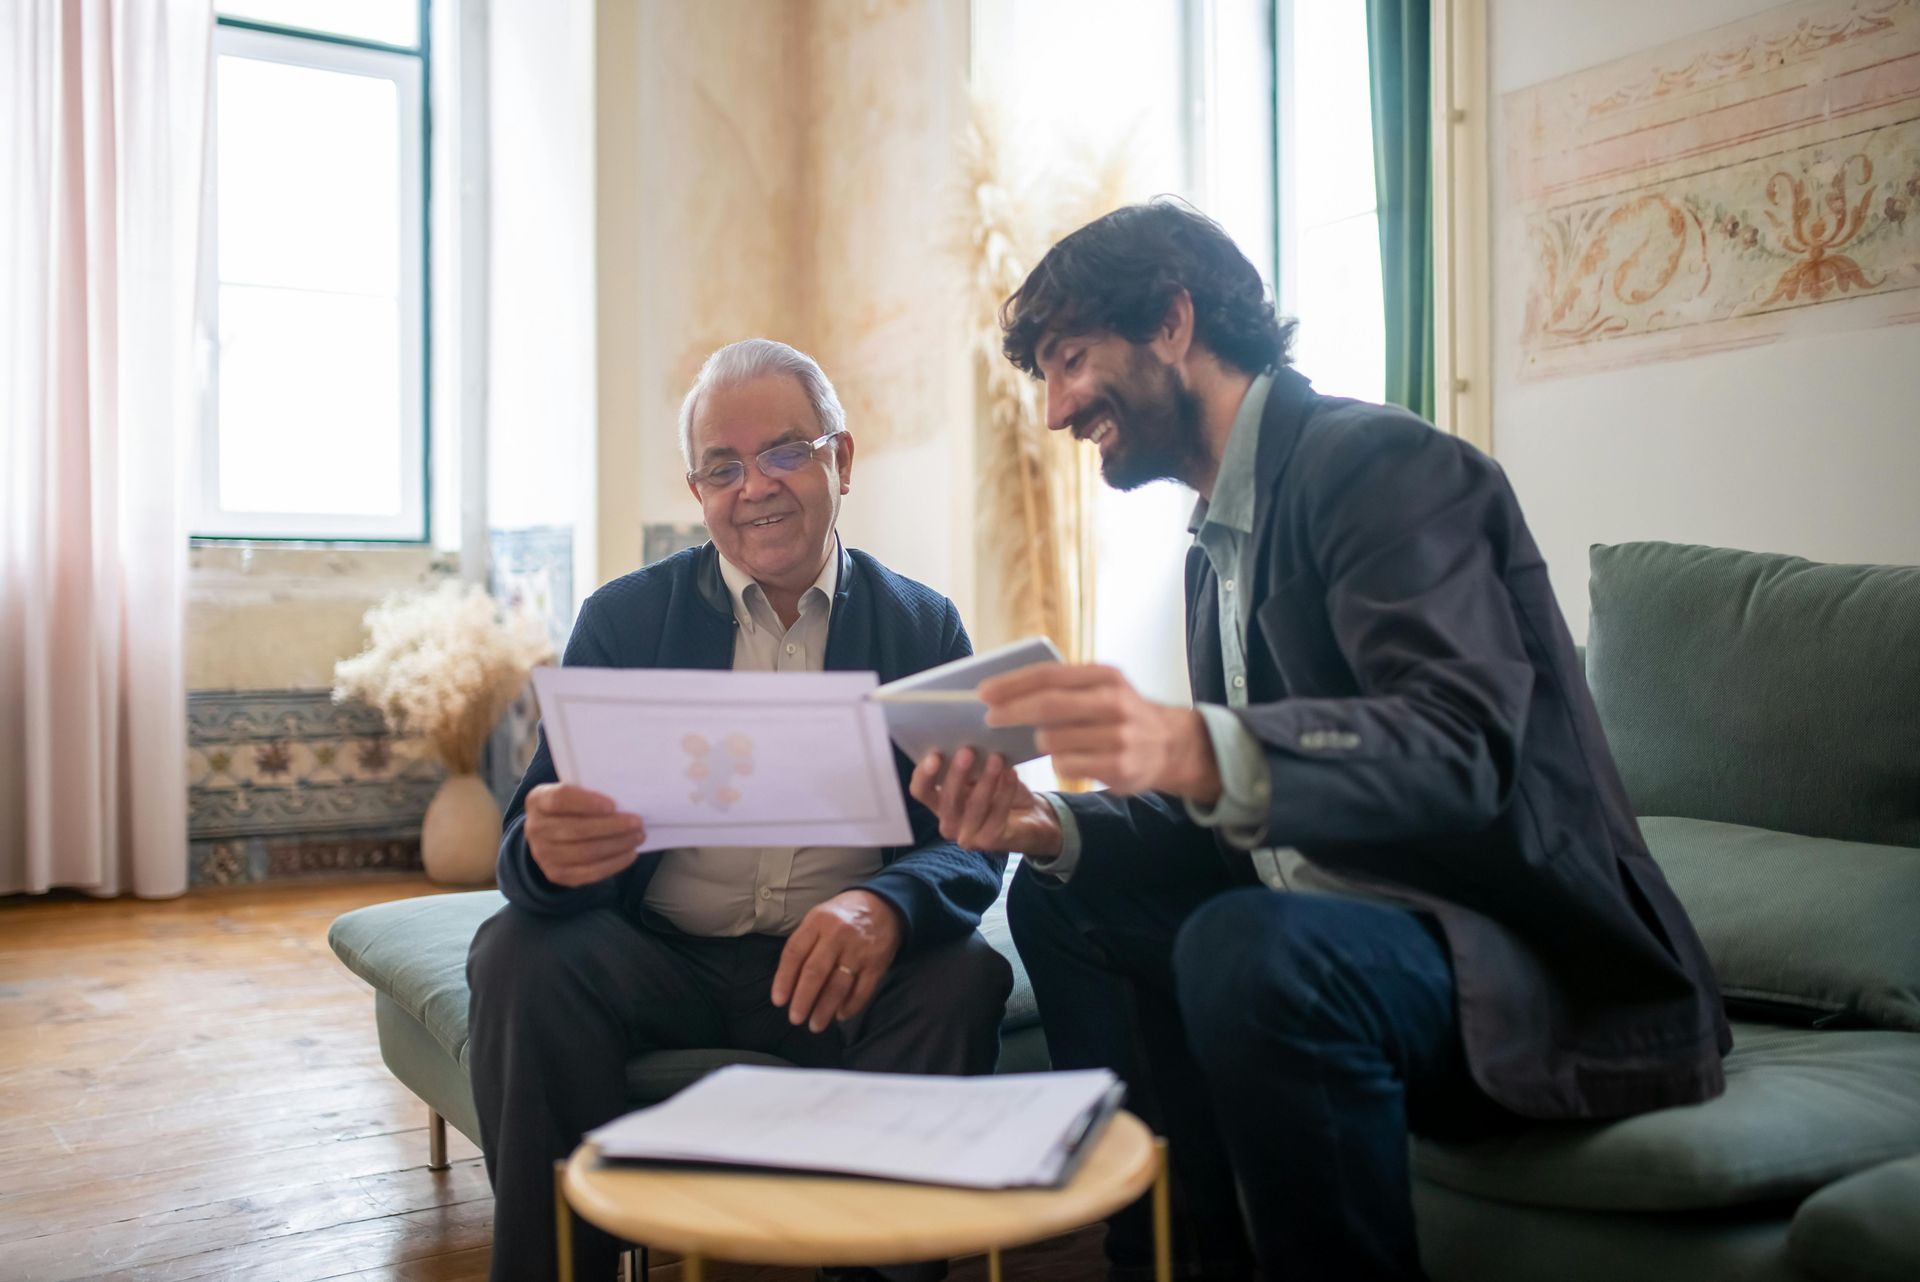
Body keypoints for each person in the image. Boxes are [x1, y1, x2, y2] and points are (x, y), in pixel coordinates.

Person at [910, 201, 1729, 1282]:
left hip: (1518, 959)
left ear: (1171, 320)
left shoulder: (1379, 467)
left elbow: (1461, 745)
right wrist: (1048, 824)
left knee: (1251, 945)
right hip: (1345, 944)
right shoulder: (1215, 552)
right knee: (1066, 898)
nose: (1058, 409)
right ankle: (1177, 1262)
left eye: (1070, 360)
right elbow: (1250, 829)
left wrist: (1199, 744)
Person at [469, 338, 1011, 1282]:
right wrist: (547, 853)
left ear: (842, 460)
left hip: (839, 967)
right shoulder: (624, 622)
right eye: (723, 467)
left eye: (785, 453)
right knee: (517, 951)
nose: (755, 486)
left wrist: (884, 906)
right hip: (659, 960)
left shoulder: (922, 627)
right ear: (699, 492)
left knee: (961, 976)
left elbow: (969, 844)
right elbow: (527, 836)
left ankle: (880, 1267)